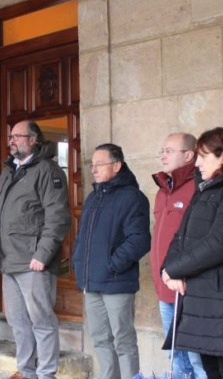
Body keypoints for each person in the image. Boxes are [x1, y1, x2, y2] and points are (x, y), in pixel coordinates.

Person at [162, 128, 223, 379]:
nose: (197, 163)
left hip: (222, 296)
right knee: (211, 369)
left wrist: (176, 269)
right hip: (200, 295)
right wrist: (169, 268)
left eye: (203, 156)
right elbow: (181, 236)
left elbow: (221, 241)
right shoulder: (204, 187)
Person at [0, 120, 72, 379]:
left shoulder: (49, 170)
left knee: (41, 321)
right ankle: (26, 371)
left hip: (33, 261)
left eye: (17, 136)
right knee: (18, 322)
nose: (11, 141)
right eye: (10, 136)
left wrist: (42, 254)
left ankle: (46, 374)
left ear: (33, 140)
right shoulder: (9, 170)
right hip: (8, 258)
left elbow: (58, 217)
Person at [72, 143, 150, 379]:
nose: (93, 169)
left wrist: (111, 265)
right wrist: (78, 262)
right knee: (100, 340)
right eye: (92, 164)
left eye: (99, 164)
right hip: (91, 282)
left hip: (116, 282)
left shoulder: (133, 197)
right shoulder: (94, 197)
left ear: (116, 166)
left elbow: (139, 240)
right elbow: (82, 237)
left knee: (123, 341)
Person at [150, 133, 207, 379]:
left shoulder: (199, 187)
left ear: (188, 155)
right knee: (176, 357)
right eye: (162, 150)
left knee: (198, 358)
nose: (163, 155)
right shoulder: (162, 190)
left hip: (189, 289)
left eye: (169, 150)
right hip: (164, 288)